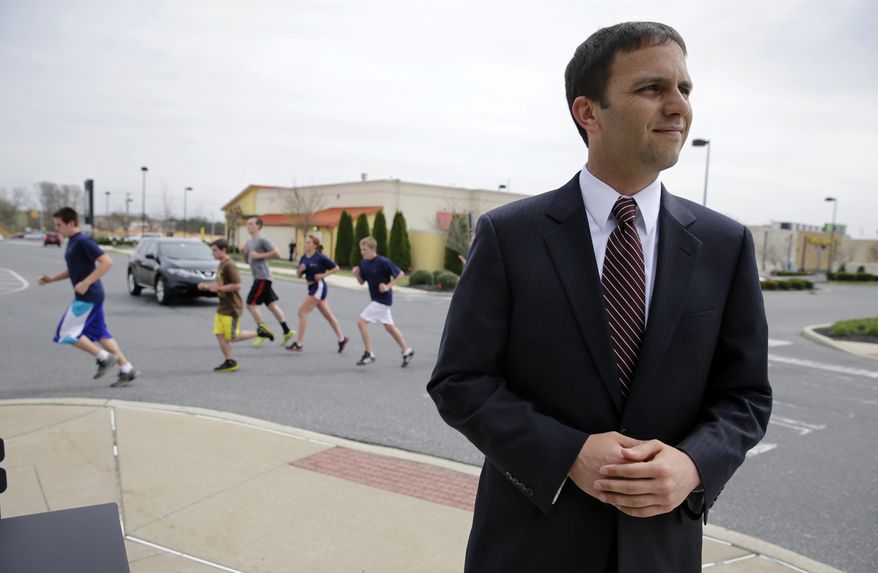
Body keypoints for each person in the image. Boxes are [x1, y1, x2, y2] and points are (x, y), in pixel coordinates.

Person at [427, 22, 772, 573]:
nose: (678, 106)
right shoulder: (509, 236)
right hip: (528, 548)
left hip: (661, 550)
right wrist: (567, 454)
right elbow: (460, 381)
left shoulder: (725, 245)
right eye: (652, 88)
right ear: (588, 112)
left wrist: (693, 465)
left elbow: (746, 396)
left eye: (684, 89)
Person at [38, 207, 139, 387]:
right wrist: (52, 279)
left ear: (71, 223)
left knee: (66, 333)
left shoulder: (83, 241)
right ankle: (127, 369)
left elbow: (107, 262)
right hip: (92, 295)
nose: (56, 228)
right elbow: (74, 269)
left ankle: (104, 357)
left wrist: (86, 282)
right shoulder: (73, 242)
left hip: (88, 296)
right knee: (101, 334)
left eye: (59, 225)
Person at [198, 238, 273, 372]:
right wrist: (207, 286)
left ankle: (259, 332)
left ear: (224, 250)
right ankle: (230, 361)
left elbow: (238, 285)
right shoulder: (221, 264)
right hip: (222, 307)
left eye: (215, 250)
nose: (212, 253)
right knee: (219, 334)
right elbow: (220, 284)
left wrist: (219, 289)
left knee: (231, 336)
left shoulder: (230, 265)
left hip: (232, 307)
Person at [351, 236, 414, 367]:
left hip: (383, 299)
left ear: (373, 248)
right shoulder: (363, 263)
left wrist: (387, 286)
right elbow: (362, 282)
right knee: (390, 327)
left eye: (365, 249)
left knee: (361, 321)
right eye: (361, 249)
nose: (362, 252)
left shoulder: (383, 262)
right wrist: (356, 274)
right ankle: (407, 351)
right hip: (375, 298)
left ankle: (369, 353)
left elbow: (400, 274)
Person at [286, 234, 348, 353]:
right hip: (311, 287)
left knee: (302, 313)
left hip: (318, 287)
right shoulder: (304, 257)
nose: (306, 244)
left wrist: (323, 275)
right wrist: (300, 271)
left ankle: (298, 344)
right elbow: (299, 275)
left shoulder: (320, 257)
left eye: (309, 242)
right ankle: (342, 339)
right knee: (328, 315)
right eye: (305, 242)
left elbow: (336, 268)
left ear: (315, 245)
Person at [242, 216, 295, 346]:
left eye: (251, 224)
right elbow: (247, 261)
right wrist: (243, 252)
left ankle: (263, 331)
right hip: (258, 277)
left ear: (258, 226)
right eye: (247, 224)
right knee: (271, 305)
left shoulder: (263, 240)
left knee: (250, 304)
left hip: (263, 277)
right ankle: (287, 331)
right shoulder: (249, 242)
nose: (248, 226)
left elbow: (277, 253)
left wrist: (259, 255)